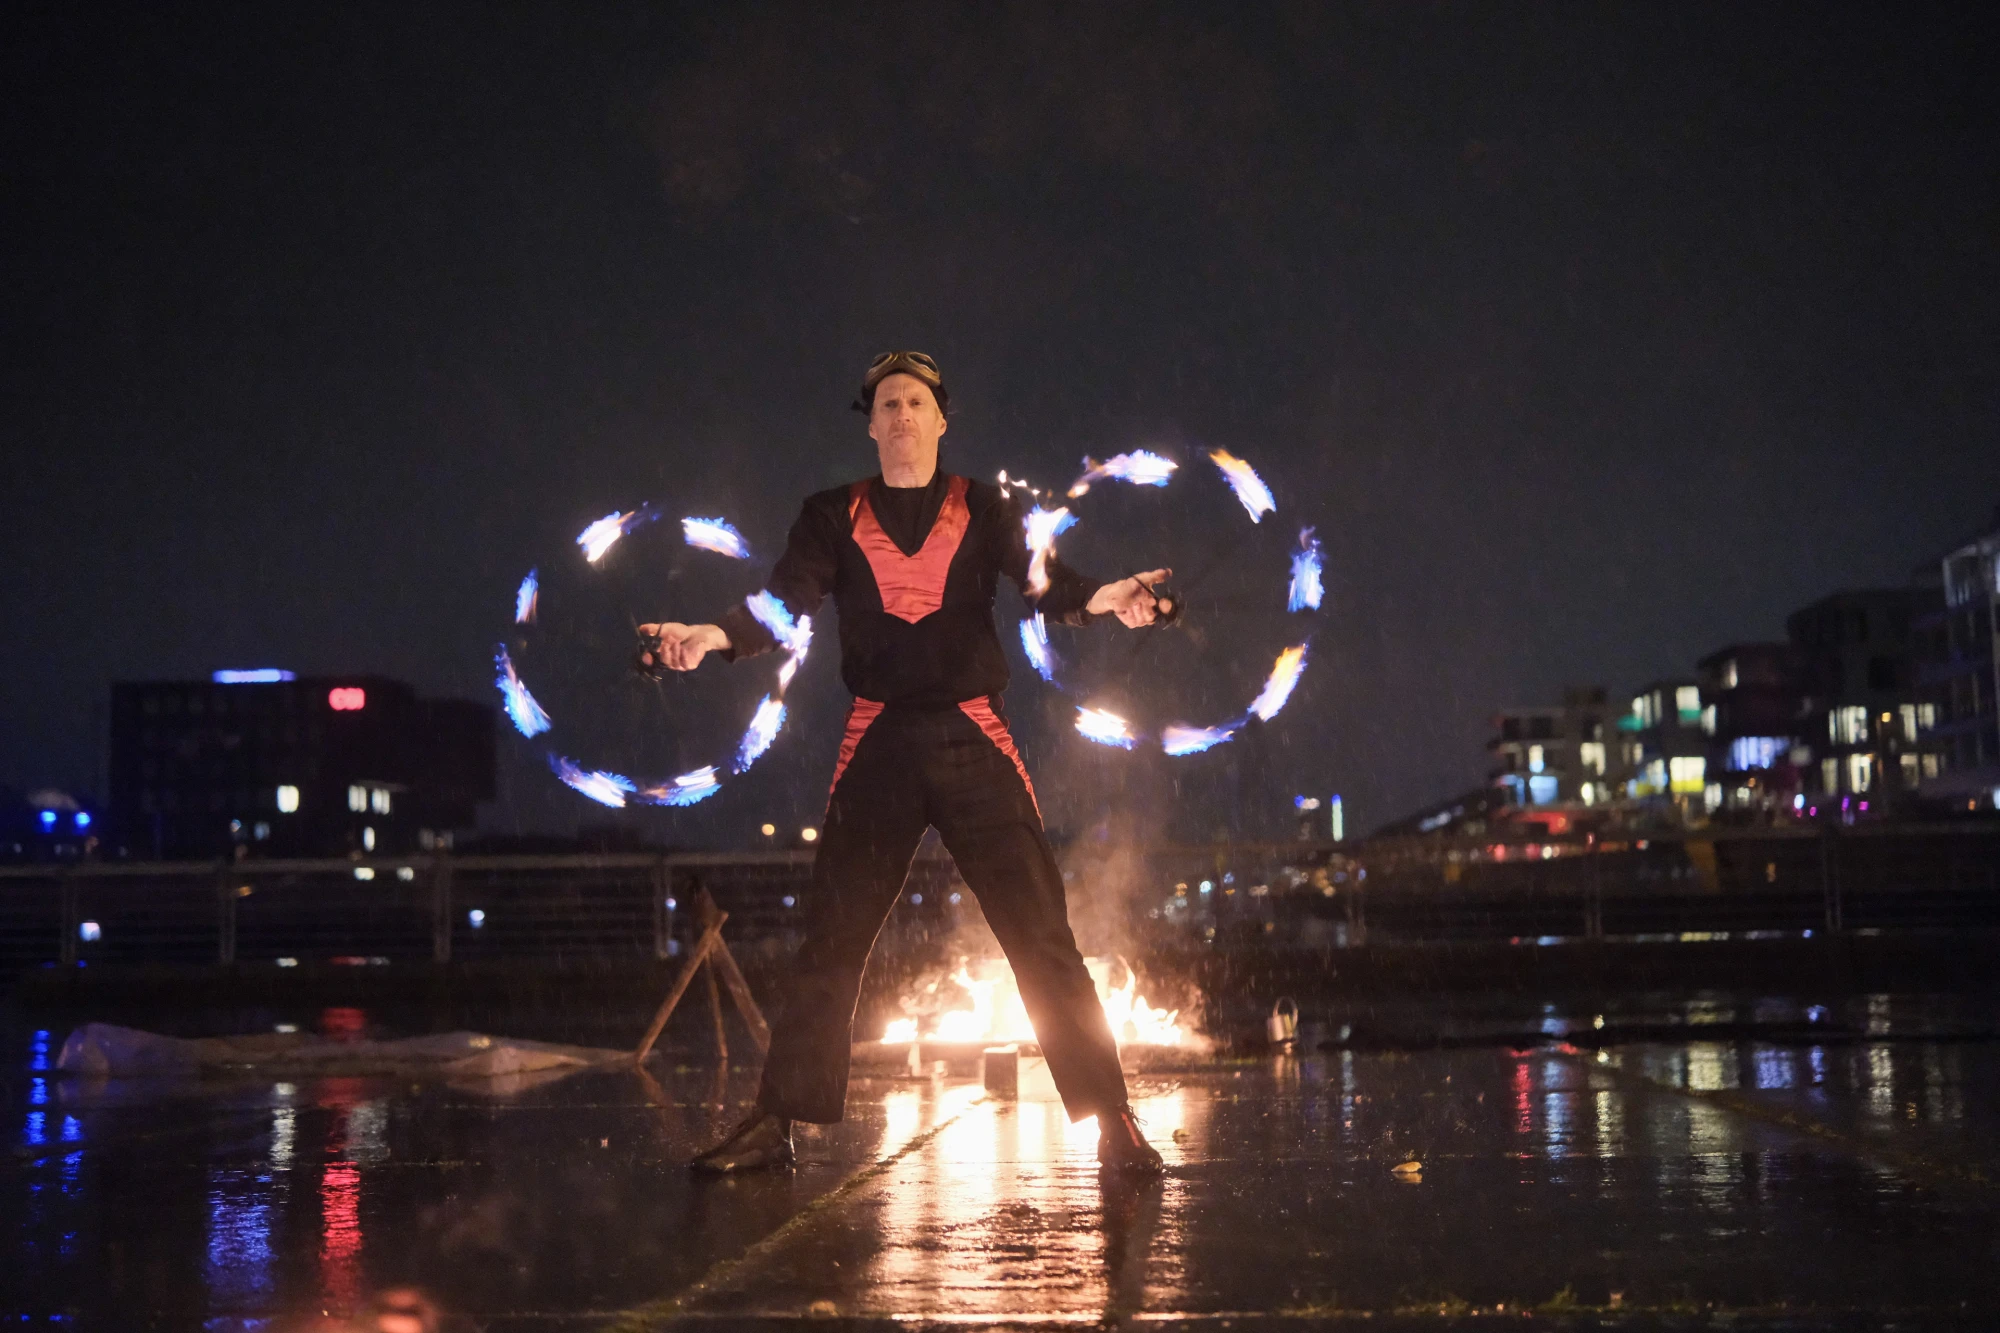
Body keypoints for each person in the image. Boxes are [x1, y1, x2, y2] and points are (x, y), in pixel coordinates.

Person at [641, 350, 1169, 1174]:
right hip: (878, 740)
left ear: (940, 417)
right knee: (830, 941)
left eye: (915, 402)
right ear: (872, 421)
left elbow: (1047, 583)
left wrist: (1114, 598)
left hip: (972, 736)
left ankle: (1113, 1122)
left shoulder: (984, 506)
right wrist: (706, 639)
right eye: (886, 404)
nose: (901, 416)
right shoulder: (831, 514)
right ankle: (777, 1121)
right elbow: (782, 605)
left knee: (1041, 936)